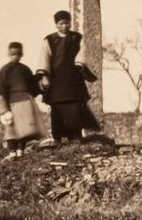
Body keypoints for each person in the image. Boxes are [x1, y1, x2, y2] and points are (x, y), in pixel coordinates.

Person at [36, 11, 99, 143]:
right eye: (61, 23)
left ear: (70, 22)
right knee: (57, 110)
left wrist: (80, 63)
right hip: (56, 81)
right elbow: (44, 59)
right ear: (56, 24)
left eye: (67, 23)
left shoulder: (77, 37)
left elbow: (83, 53)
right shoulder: (49, 40)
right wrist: (45, 77)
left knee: (75, 109)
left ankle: (75, 138)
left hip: (73, 79)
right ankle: (58, 139)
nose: (64, 26)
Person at [0, 41, 46, 157]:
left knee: (24, 128)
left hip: (26, 102)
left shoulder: (25, 70)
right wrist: (3, 109)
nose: (15, 57)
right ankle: (12, 151)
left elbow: (32, 85)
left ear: (21, 54)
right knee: (12, 128)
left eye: (17, 54)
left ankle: (21, 149)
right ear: (8, 54)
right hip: (12, 103)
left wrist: (39, 77)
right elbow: (0, 91)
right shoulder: (5, 70)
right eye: (12, 54)